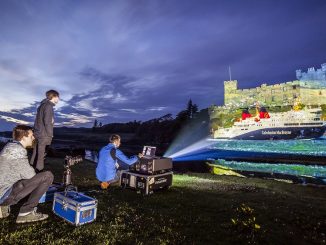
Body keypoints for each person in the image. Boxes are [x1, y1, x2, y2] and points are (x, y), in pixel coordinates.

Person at [0, 125, 53, 223]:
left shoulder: (10, 146)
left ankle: (3, 207)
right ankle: (26, 213)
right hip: (4, 195)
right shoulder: (18, 151)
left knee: (22, 181)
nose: (33, 138)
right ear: (24, 137)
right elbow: (31, 176)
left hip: (2, 190)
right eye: (31, 136)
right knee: (47, 176)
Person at [30, 90, 60, 171]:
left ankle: (30, 170)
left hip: (38, 133)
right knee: (41, 156)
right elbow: (47, 122)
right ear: (54, 97)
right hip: (44, 135)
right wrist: (50, 134)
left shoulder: (42, 106)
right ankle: (38, 172)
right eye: (58, 97)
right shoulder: (48, 106)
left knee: (35, 153)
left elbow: (39, 120)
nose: (58, 99)